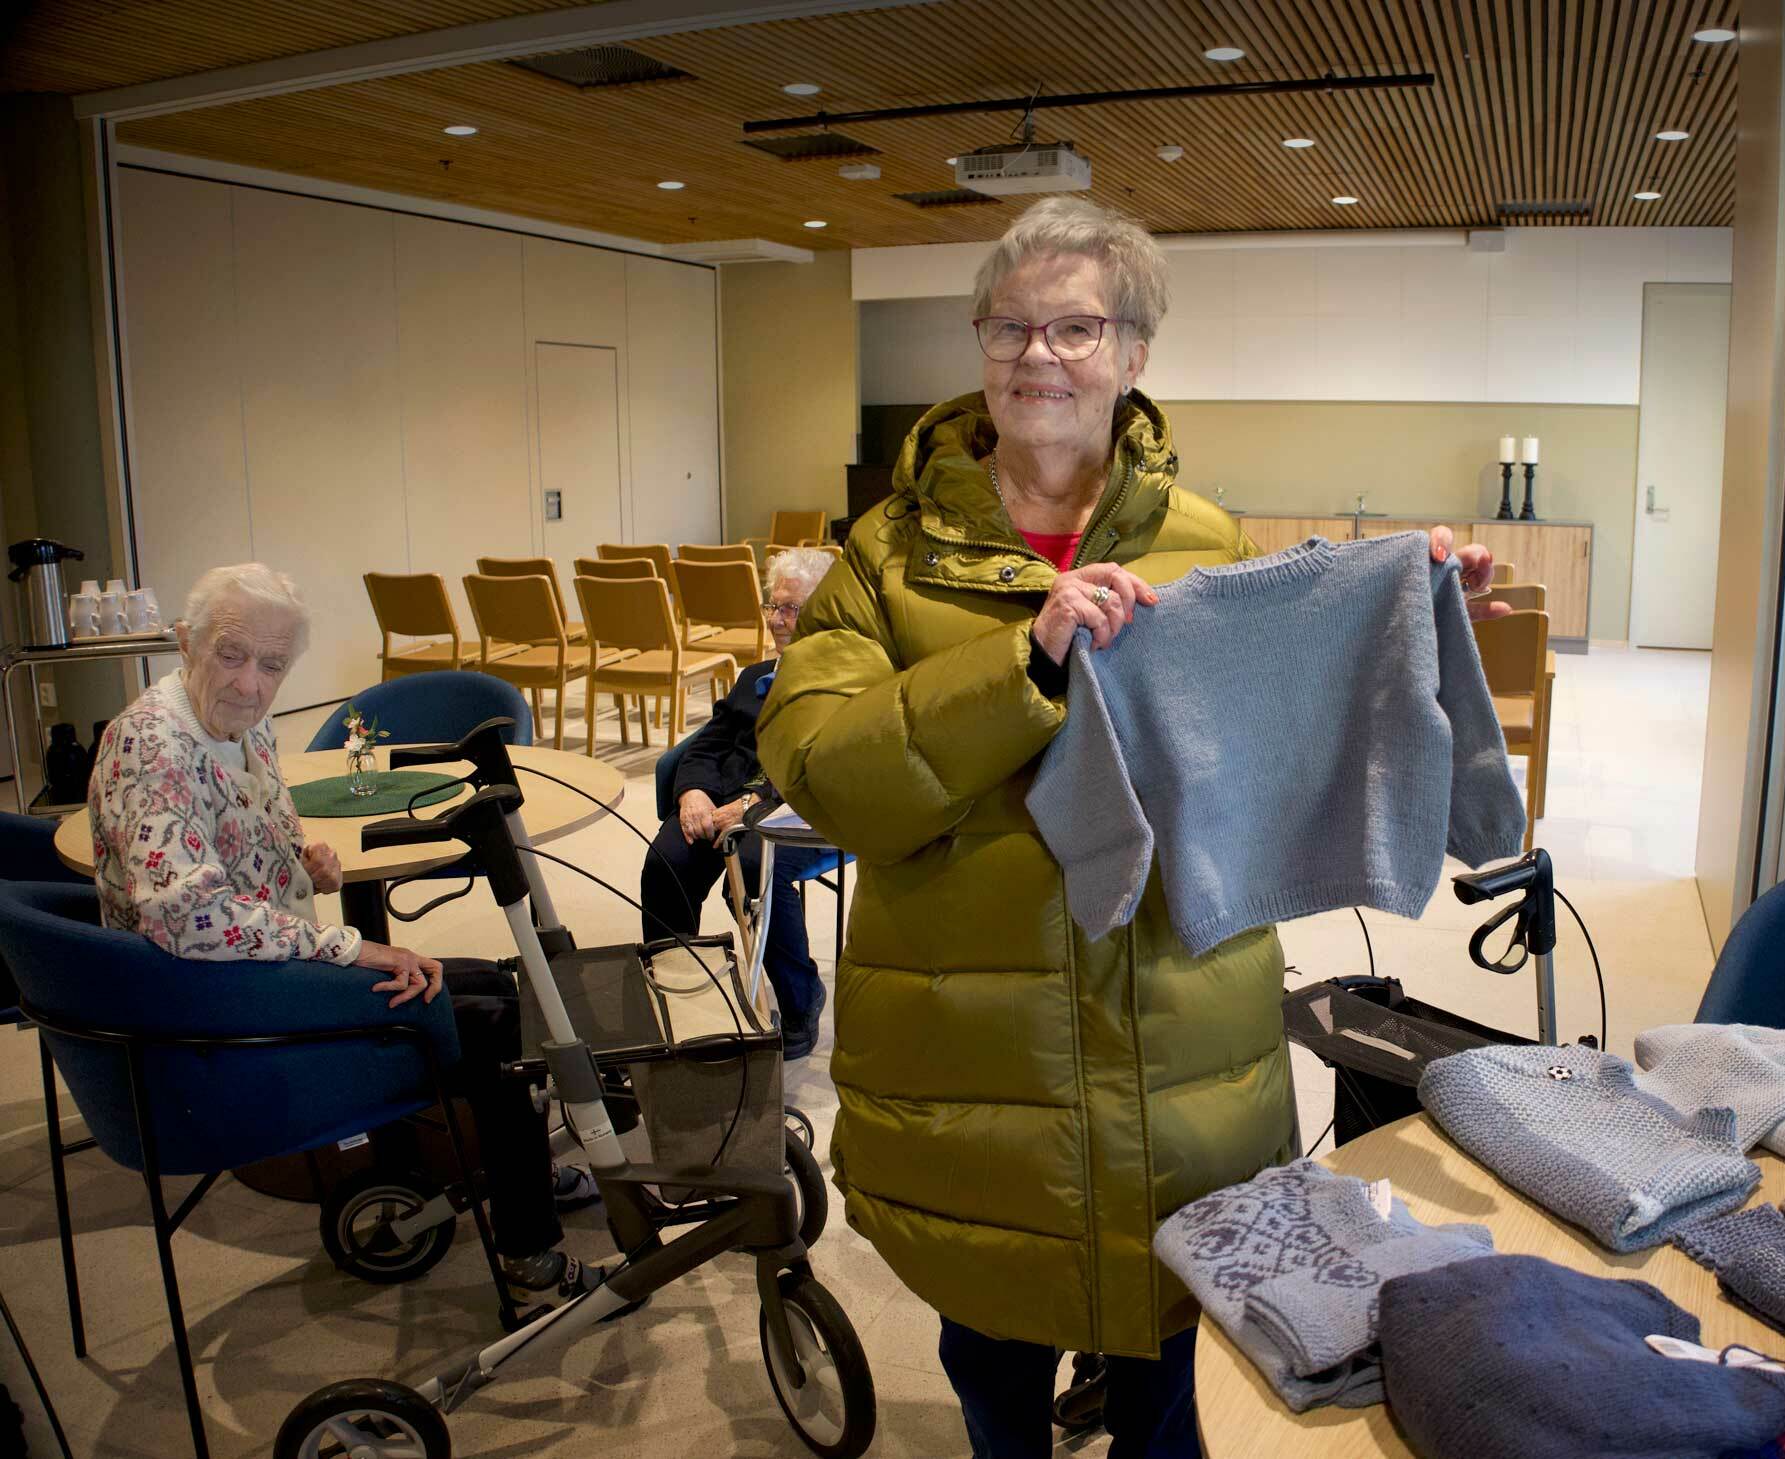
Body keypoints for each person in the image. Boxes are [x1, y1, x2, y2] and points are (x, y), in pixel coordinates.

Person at [756, 197, 1506, 1458]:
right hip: (975, 1065)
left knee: (1177, 1384)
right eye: (1008, 326)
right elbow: (823, 770)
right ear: (978, 345)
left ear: (1133, 353)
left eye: (1075, 326)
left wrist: (1405, 608)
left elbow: (1286, 753)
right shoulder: (882, 556)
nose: (1037, 355)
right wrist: (1024, 663)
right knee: (994, 1372)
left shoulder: (1205, 541)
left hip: (1182, 1046)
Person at [88, 563, 608, 1302]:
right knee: (485, 1013)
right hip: (212, 1009)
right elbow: (191, 916)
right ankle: (528, 1250)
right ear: (184, 641)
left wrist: (297, 855)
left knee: (497, 981)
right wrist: (353, 946)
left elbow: (233, 831)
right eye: (231, 655)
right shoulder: (154, 746)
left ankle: (514, 1166)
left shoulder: (239, 722)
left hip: (257, 976)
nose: (250, 684)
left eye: (272, 665)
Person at [640, 545, 837, 1057]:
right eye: (774, 606)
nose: (778, 620)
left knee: (752, 867)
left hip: (802, 808)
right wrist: (693, 792)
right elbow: (706, 744)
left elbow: (823, 762)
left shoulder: (844, 679)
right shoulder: (755, 676)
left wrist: (751, 807)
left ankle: (800, 1000)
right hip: (721, 801)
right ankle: (676, 992)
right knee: (666, 862)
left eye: (792, 608)